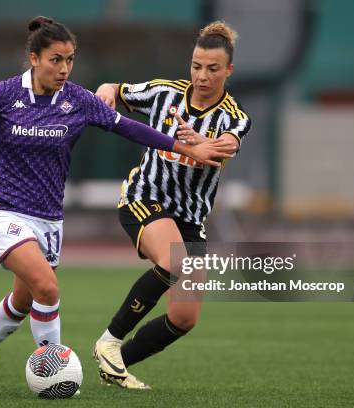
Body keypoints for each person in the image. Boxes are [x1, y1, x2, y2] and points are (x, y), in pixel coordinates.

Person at [0, 16, 225, 390]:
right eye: (56, 59)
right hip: (0, 209)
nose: (65, 68)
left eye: (70, 60)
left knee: (24, 300)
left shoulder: (79, 100)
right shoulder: (4, 93)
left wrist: (188, 148)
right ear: (34, 58)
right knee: (48, 287)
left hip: (48, 218)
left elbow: (131, 128)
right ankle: (53, 373)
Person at [92, 21, 251, 389]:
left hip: (191, 218)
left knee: (183, 318)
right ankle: (109, 341)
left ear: (229, 71)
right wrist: (105, 91)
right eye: (196, 66)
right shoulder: (164, 92)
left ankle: (116, 364)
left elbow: (226, 143)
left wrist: (201, 143)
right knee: (173, 262)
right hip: (143, 198)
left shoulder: (234, 116)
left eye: (213, 68)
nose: (202, 76)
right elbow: (114, 89)